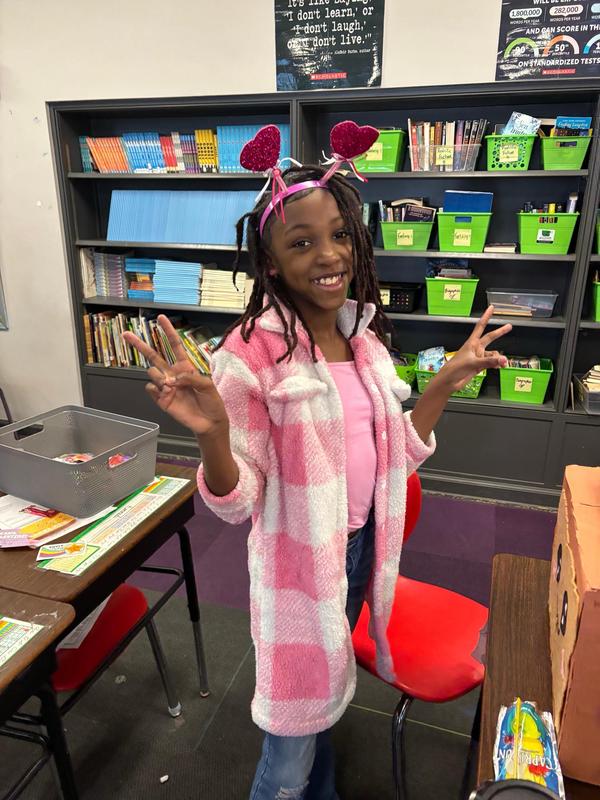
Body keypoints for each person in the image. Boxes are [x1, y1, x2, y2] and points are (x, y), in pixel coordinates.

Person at [123, 159, 511, 800]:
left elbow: (392, 459)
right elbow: (237, 501)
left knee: (325, 701)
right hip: (299, 570)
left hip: (361, 551)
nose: (329, 255)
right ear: (271, 263)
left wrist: (442, 385)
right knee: (290, 745)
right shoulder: (251, 354)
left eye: (339, 234)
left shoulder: (365, 340)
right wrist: (213, 434)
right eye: (302, 242)